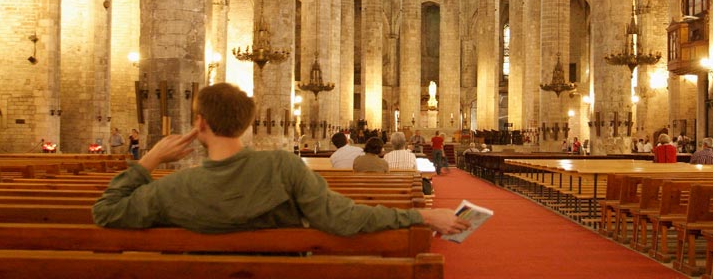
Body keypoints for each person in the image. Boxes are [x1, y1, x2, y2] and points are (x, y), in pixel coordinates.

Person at [92, 83, 469, 237]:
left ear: (200, 124)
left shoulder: (173, 188)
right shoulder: (282, 168)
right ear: (246, 123)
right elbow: (343, 217)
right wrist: (421, 214)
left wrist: (148, 161)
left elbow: (107, 212)